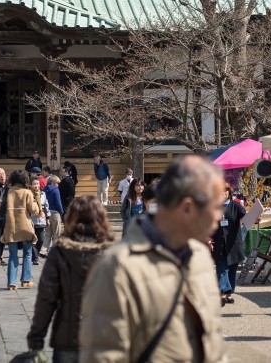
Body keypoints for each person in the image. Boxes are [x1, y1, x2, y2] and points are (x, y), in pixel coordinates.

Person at [80, 155, 226, 362]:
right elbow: (103, 355)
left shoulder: (200, 257)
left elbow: (214, 343)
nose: (221, 216)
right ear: (187, 208)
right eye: (216, 208)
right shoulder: (117, 268)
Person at [26, 196, 115, 362]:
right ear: (102, 218)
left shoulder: (60, 252)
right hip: (106, 336)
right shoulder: (115, 254)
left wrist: (36, 337)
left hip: (68, 337)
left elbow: (47, 298)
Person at [0, 169, 39, 290]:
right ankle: (26, 280)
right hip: (25, 226)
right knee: (27, 253)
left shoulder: (7, 191)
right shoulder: (27, 192)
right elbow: (34, 210)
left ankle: (11, 282)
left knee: (12, 255)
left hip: (11, 226)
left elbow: (1, 207)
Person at [211, 183, 246, 306]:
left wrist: (255, 218)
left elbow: (246, 218)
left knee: (232, 269)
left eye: (226, 191)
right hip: (219, 242)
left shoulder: (236, 206)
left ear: (229, 193)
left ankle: (228, 294)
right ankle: (222, 292)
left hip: (233, 243)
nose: (223, 193)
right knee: (221, 269)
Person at [30, 176, 50, 265]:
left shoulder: (43, 194)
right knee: (33, 240)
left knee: (41, 240)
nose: (36, 186)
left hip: (41, 220)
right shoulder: (29, 194)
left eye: (37, 184)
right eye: (34, 184)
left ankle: (35, 255)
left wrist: (48, 218)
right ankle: (35, 258)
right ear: (31, 185)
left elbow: (46, 206)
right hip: (31, 221)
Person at [45, 175, 65, 250]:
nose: (58, 185)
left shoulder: (44, 190)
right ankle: (54, 251)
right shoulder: (55, 190)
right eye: (57, 183)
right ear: (53, 182)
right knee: (56, 234)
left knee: (47, 234)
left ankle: (43, 251)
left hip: (46, 213)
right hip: (55, 213)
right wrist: (61, 212)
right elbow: (58, 203)